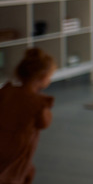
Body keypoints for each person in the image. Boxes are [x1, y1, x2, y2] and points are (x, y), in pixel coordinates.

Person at [0, 48, 56, 184]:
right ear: (43, 78)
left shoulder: (7, 91)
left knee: (17, 171)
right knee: (15, 174)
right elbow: (44, 124)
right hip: (19, 148)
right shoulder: (38, 102)